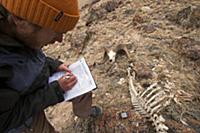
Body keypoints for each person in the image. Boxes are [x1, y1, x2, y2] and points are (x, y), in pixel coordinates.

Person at [0, 0, 102, 132]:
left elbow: (24, 55)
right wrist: (55, 91)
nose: (60, 40)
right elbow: (5, 120)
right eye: (57, 31)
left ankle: (84, 114)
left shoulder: (19, 27)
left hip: (27, 97)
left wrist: (51, 65)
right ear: (21, 22)